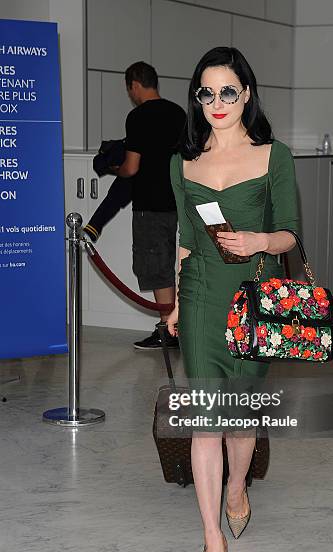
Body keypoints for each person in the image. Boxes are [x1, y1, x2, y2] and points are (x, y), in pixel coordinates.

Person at [166, 47, 299, 552]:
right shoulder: (183, 163)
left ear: (246, 93)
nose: (216, 102)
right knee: (205, 421)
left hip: (254, 302)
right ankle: (211, 539)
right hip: (200, 297)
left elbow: (290, 232)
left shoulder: (274, 156)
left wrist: (259, 241)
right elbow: (185, 238)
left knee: (241, 420)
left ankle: (238, 486)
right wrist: (175, 302)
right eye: (206, 92)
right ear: (197, 98)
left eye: (227, 90)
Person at [113, 61, 186, 349]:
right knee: (174, 264)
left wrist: (114, 168)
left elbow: (132, 167)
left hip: (150, 203)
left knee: (157, 268)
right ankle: (177, 326)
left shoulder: (138, 117)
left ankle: (168, 332)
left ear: (133, 85)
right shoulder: (178, 113)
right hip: (177, 200)